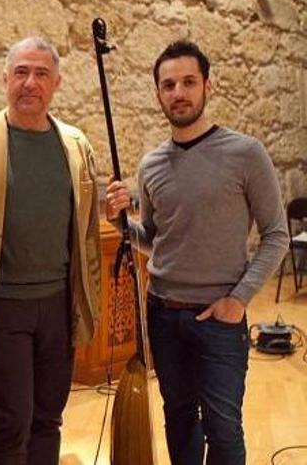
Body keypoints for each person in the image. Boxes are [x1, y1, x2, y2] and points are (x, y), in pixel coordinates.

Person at [106, 39, 288, 465]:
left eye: (189, 82)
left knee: (224, 429)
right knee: (180, 419)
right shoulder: (150, 164)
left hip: (219, 320)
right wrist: (119, 224)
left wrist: (239, 299)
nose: (178, 92)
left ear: (208, 86)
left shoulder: (246, 154)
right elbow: (154, 237)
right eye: (168, 85)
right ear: (158, 94)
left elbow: (276, 234)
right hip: (164, 314)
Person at [0, 36, 102, 465]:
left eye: (40, 74)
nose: (29, 83)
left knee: (48, 417)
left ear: (56, 82)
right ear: (4, 79)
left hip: (57, 306)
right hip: (4, 306)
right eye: (20, 72)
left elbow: (88, 228)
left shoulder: (75, 145)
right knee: (11, 418)